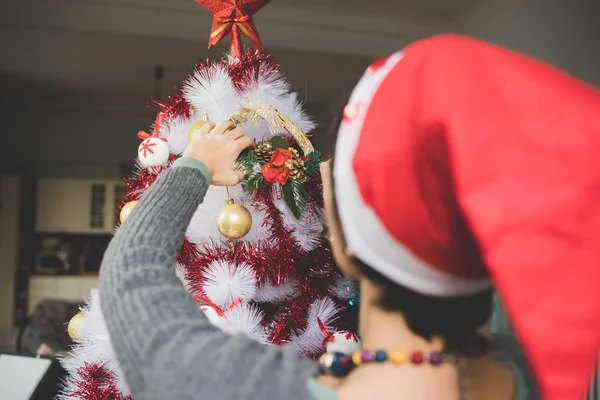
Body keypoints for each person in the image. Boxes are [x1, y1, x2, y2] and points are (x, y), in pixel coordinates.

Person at [99, 34, 600, 400]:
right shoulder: (526, 372)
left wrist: (194, 164)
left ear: (344, 238)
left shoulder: (239, 388)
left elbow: (130, 270)